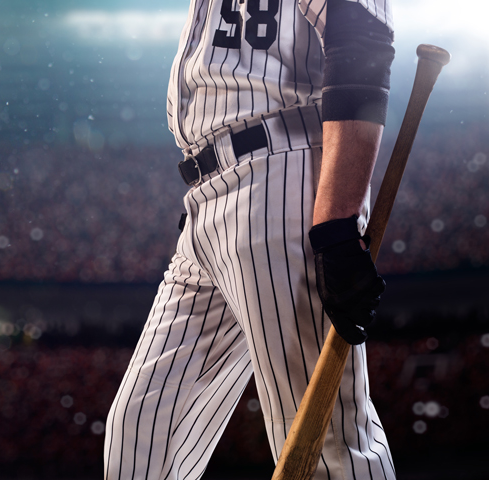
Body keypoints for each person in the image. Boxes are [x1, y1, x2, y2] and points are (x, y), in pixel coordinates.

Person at [105, 0, 396, 479]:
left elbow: (361, 32)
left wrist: (336, 224)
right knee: (142, 434)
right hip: (207, 193)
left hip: (280, 177)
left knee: (328, 446)